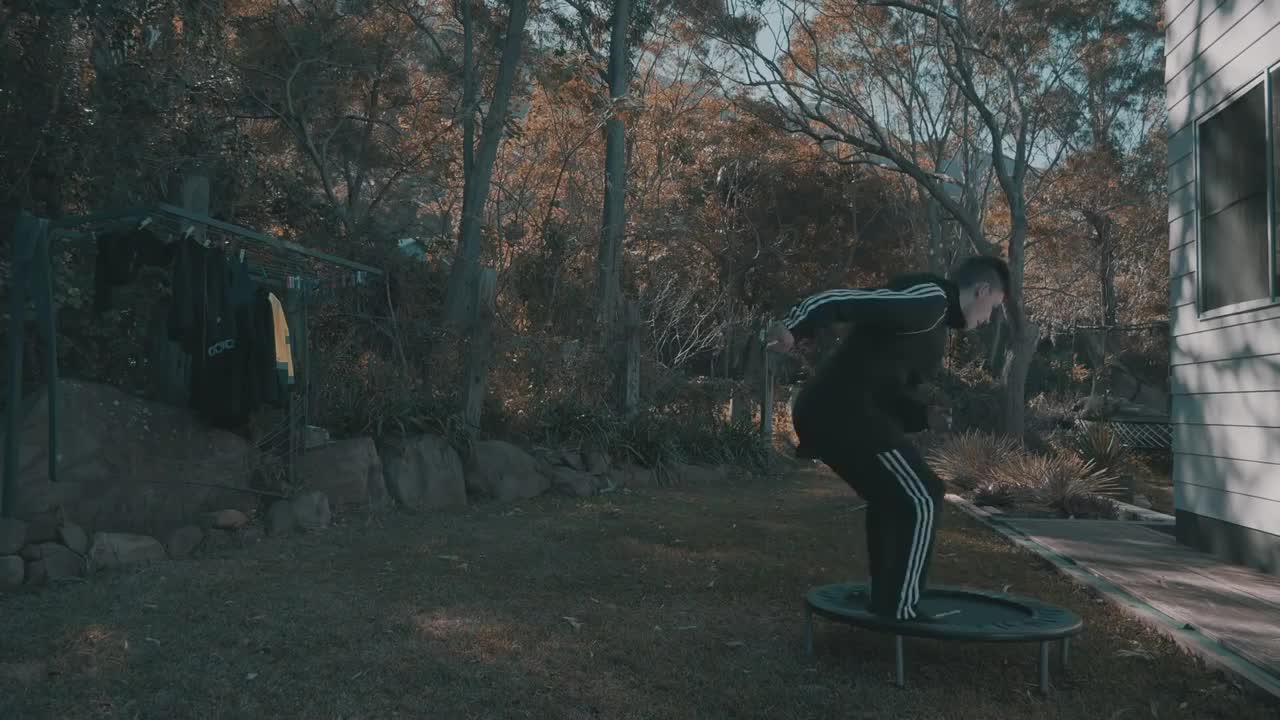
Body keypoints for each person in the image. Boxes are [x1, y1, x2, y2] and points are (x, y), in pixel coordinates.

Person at [765, 255, 1009, 622]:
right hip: (841, 411)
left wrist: (923, 416)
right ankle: (900, 607)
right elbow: (843, 300)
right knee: (925, 494)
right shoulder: (927, 299)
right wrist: (793, 326)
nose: (989, 318)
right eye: (993, 308)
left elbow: (887, 392)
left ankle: (887, 601)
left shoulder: (935, 330)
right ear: (982, 290)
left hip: (844, 412)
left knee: (892, 498)